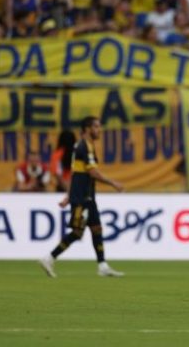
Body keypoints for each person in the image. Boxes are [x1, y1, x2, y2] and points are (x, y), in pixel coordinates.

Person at [40, 117, 125, 278]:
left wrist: (67, 195)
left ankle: (102, 266)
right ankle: (49, 257)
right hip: (82, 198)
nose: (99, 130)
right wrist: (113, 183)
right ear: (87, 129)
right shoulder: (83, 146)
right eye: (96, 127)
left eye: (99, 126)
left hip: (87, 197)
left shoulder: (84, 146)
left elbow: (75, 173)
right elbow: (92, 172)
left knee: (96, 228)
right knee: (78, 232)